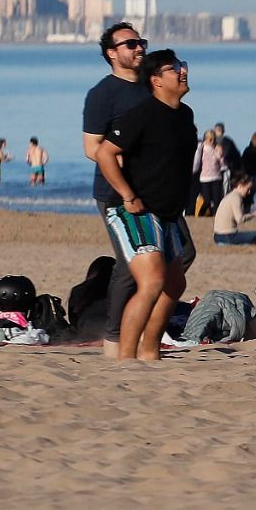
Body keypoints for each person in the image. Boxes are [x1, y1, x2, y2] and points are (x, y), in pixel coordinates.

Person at [95, 49, 199, 361]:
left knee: (174, 284)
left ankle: (149, 352)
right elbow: (104, 153)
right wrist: (127, 194)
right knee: (152, 280)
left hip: (168, 212)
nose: (182, 72)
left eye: (182, 65)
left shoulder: (185, 115)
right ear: (155, 80)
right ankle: (126, 360)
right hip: (133, 209)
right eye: (174, 68)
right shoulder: (141, 113)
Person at [82, 21, 155, 359]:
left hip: (155, 188)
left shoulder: (151, 87)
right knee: (130, 264)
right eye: (130, 44)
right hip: (114, 191)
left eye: (141, 42)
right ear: (112, 54)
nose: (139, 48)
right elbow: (92, 147)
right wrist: (124, 163)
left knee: (179, 257)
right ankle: (115, 337)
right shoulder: (102, 94)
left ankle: (145, 327)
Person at [193, 128, 226, 215]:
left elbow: (222, 164)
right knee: (207, 200)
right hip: (205, 178)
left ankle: (215, 217)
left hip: (216, 177)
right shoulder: (201, 147)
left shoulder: (216, 149)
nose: (212, 141)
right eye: (210, 139)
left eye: (213, 139)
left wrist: (220, 154)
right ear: (206, 139)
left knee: (216, 200)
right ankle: (200, 214)